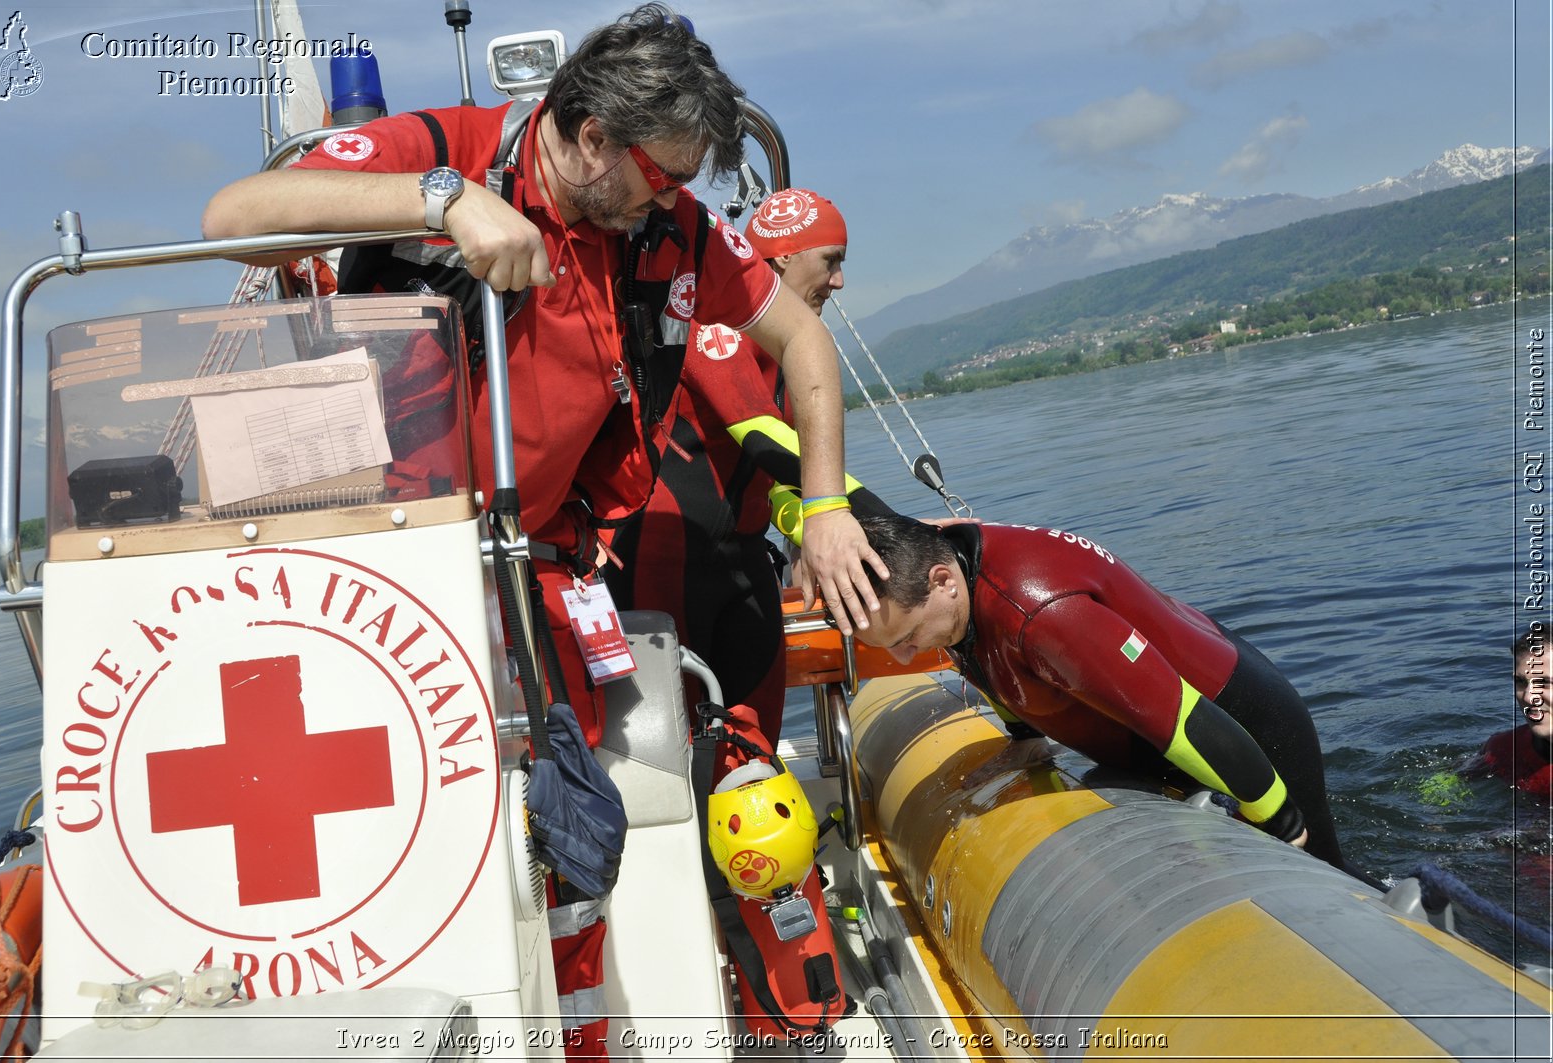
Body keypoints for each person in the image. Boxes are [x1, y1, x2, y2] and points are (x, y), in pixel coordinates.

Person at [200, 8, 882, 1056]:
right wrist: (441, 203)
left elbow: (800, 340)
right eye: (663, 173)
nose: (676, 198)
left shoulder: (670, 232)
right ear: (594, 135)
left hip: (546, 566)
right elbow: (235, 213)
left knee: (573, 830)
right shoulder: (446, 150)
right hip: (392, 563)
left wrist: (827, 507)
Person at [848, 514, 1365, 874]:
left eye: (906, 637)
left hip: (1235, 721)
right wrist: (1025, 734)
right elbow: (986, 651)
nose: (903, 658)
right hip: (1162, 726)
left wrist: (1281, 818)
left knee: (1325, 871)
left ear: (943, 581)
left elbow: (1183, 719)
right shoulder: (942, 564)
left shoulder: (1043, 616)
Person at [606, 189, 884, 739]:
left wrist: (813, 531)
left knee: (755, 742)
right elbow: (762, 439)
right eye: (831, 261)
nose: (840, 282)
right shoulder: (717, 320)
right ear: (782, 258)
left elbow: (773, 484)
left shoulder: (789, 348)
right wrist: (887, 525)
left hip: (746, 565)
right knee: (677, 754)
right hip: (663, 566)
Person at [1473, 629, 1553, 797]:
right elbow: (1447, 784)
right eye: (1520, 682)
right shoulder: (1502, 750)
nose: (1528, 696)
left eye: (1544, 682)